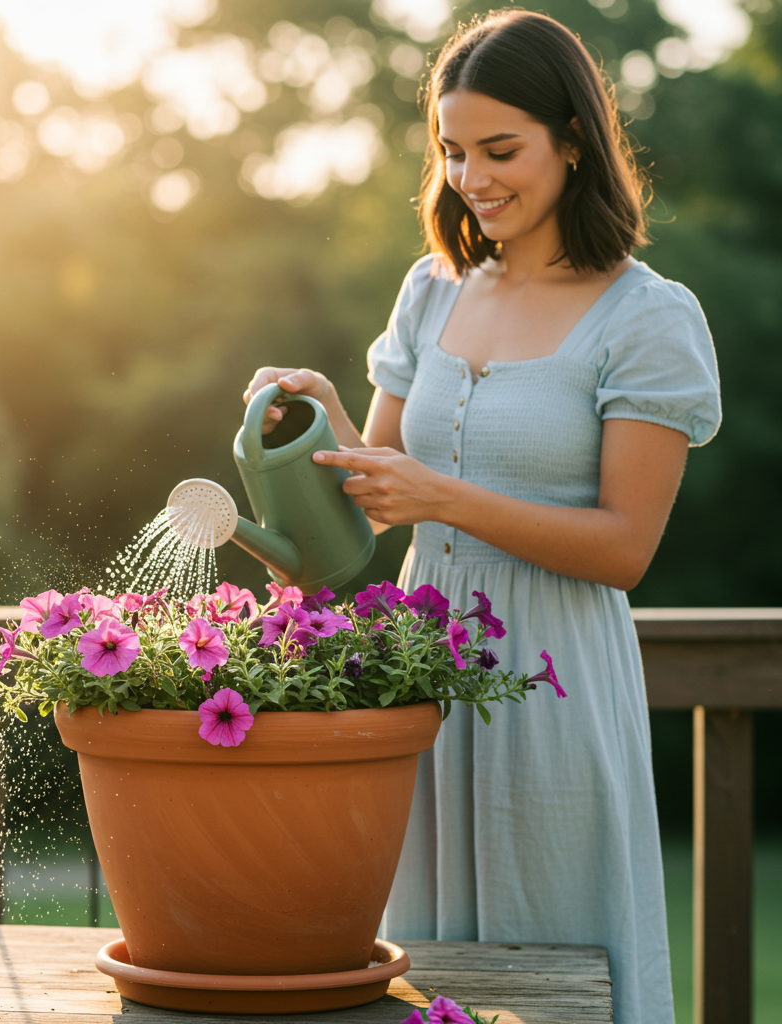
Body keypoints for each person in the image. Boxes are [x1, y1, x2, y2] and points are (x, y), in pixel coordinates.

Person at [243, 10, 721, 1023]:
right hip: (420, 675)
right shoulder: (432, 290)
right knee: (421, 959)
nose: (472, 177)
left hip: (553, 678)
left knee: (556, 953)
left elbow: (625, 549)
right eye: (453, 151)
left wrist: (440, 498)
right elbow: (374, 501)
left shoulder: (647, 316)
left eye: (501, 150)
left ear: (573, 140)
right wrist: (320, 423)